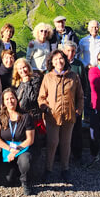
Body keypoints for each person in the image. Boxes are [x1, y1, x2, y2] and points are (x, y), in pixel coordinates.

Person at [38, 50, 84, 183]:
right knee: (52, 143)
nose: (59, 61)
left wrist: (79, 110)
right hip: (52, 116)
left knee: (66, 143)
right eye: (56, 59)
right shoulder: (48, 77)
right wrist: (45, 108)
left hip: (69, 116)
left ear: (65, 60)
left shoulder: (73, 76)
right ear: (51, 62)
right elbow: (41, 97)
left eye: (61, 58)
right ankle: (48, 169)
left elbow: (80, 96)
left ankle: (65, 169)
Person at [0, 88, 35, 195]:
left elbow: (30, 139)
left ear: (16, 99)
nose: (10, 101)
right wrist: (9, 149)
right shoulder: (0, 116)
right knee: (6, 181)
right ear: (4, 102)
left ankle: (25, 181)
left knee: (25, 161)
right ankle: (15, 170)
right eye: (7, 99)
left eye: (12, 98)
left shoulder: (26, 116)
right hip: (7, 148)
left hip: (22, 148)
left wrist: (15, 151)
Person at [12, 58, 45, 160]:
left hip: (34, 117)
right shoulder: (16, 83)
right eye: (20, 69)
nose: (23, 71)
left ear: (28, 67)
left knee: (35, 145)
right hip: (21, 118)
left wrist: (27, 83)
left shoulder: (35, 80)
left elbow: (33, 98)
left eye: (24, 67)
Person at [62, 42, 90, 163]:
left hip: (75, 103)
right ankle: (61, 154)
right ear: (63, 51)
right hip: (61, 104)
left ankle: (77, 154)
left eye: (73, 51)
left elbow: (84, 84)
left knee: (76, 129)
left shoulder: (78, 65)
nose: (70, 53)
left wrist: (82, 101)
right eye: (68, 51)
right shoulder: (59, 63)